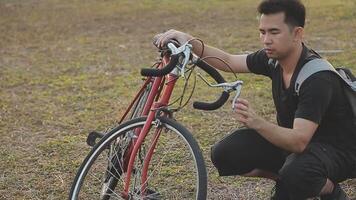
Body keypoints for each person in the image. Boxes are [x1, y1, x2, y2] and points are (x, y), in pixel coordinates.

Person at [154, 0, 356, 199]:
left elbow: (299, 142)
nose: (266, 39)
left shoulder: (317, 78)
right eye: (262, 32)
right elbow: (229, 61)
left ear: (297, 34)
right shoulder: (272, 59)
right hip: (298, 147)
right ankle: (288, 182)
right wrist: (187, 39)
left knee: (297, 172)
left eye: (274, 32)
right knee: (226, 153)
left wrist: (256, 122)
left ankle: (329, 190)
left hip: (338, 151)